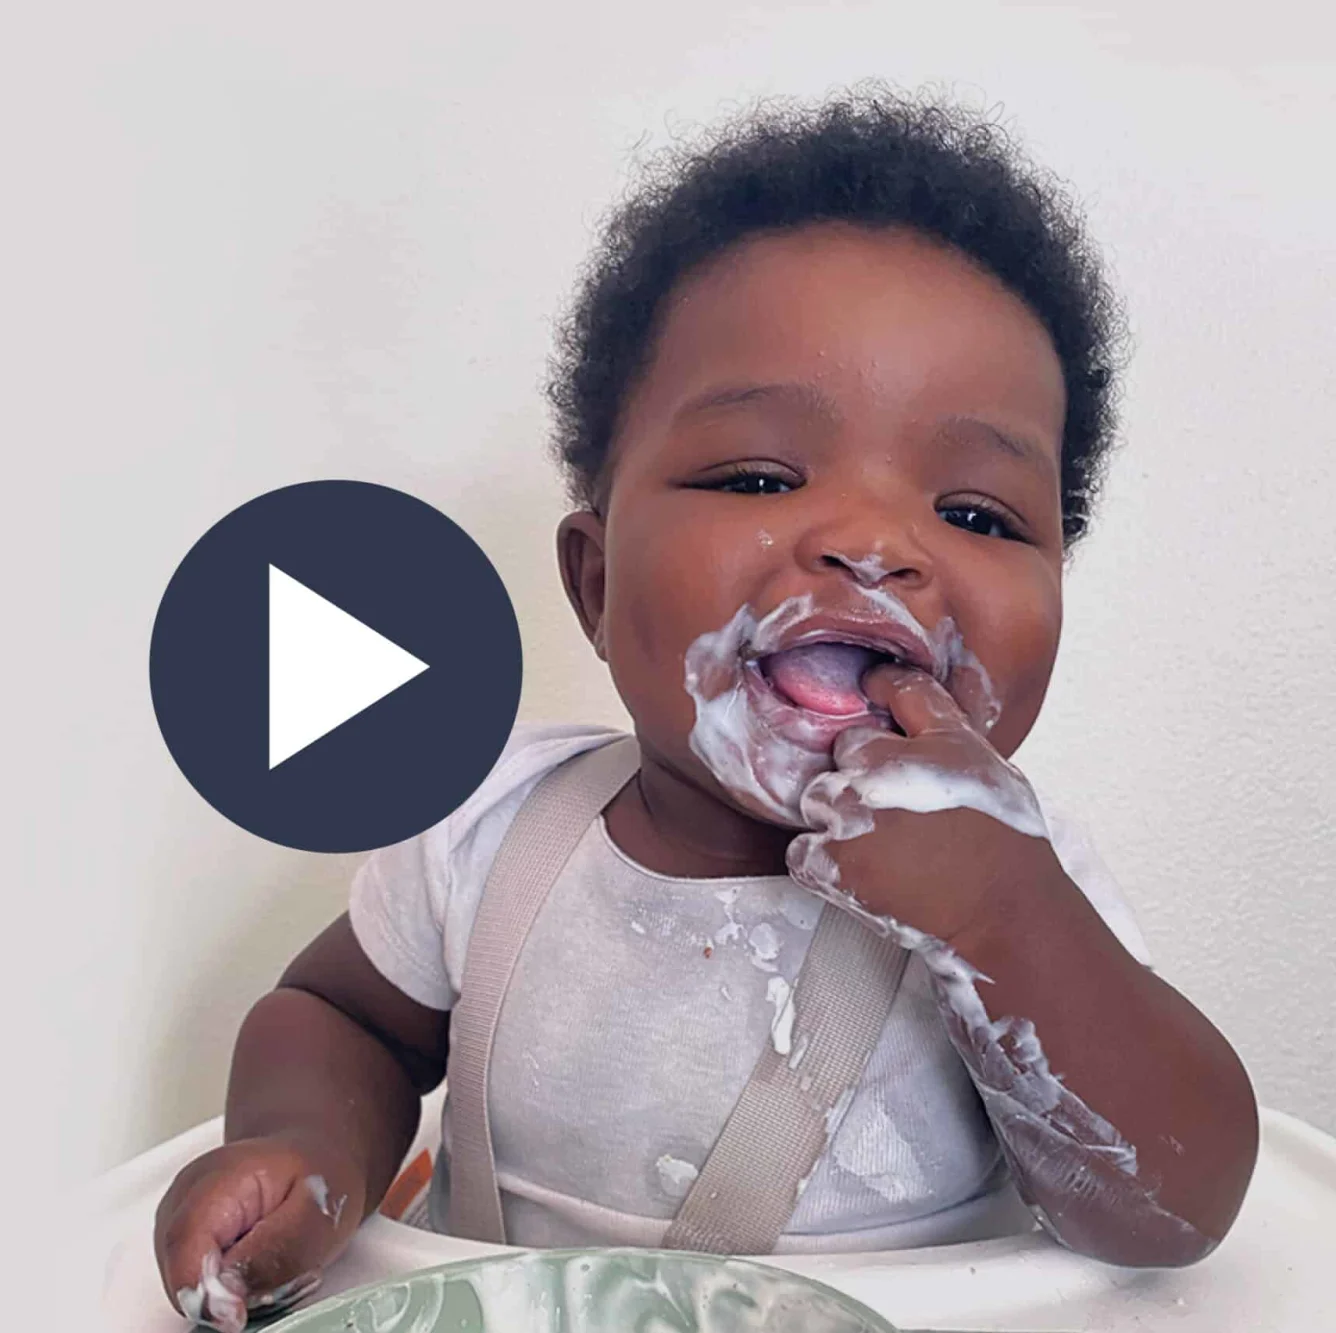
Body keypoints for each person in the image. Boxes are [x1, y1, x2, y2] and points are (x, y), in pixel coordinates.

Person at [154, 89, 1259, 1331]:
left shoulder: (1021, 888)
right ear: (594, 579)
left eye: (976, 514)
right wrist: (306, 1149)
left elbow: (1173, 1212)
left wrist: (1004, 922)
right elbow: (338, 1015)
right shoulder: (484, 825)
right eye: (756, 475)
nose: (873, 544)